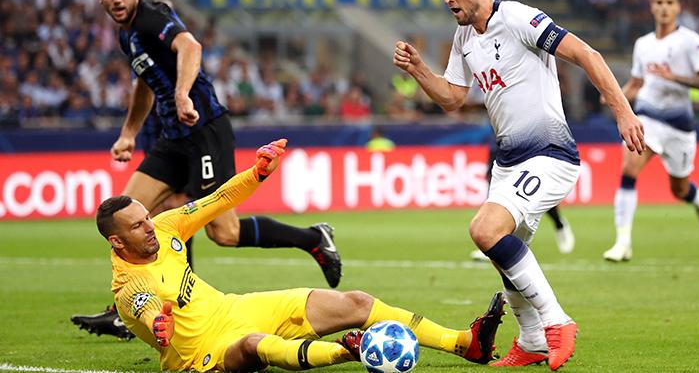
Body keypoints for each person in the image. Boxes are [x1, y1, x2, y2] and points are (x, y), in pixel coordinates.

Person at [392, 0, 644, 370]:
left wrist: (623, 111)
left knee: (484, 228)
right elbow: (453, 98)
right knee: (504, 252)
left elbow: (588, 55)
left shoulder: (518, 19)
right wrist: (419, 69)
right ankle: (530, 340)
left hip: (550, 155)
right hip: (508, 163)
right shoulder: (464, 37)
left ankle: (556, 321)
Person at [71, 0, 341, 339]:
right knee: (125, 216)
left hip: (203, 130)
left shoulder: (150, 19)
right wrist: (128, 132)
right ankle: (134, 308)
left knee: (224, 232)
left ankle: (313, 238)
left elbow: (190, 46)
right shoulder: (126, 35)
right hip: (173, 139)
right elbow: (145, 83)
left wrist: (182, 93)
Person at [96, 138, 506, 371]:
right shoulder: (128, 283)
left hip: (234, 308)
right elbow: (144, 305)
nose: (149, 227)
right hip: (201, 354)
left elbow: (218, 200)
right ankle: (346, 350)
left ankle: (464, 343)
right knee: (256, 345)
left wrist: (257, 172)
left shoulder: (166, 226)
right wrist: (158, 324)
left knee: (357, 302)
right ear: (117, 242)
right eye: (138, 226)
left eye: (147, 217)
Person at [602, 0, 699, 262]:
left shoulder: (690, 41)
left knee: (679, 189)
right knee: (629, 169)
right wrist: (615, 96)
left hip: (679, 125)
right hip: (647, 118)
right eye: (659, 2)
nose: (664, 7)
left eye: (669, 2)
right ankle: (623, 242)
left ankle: (698, 198)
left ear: (678, 8)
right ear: (652, 7)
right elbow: (637, 83)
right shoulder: (643, 44)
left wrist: (673, 77)